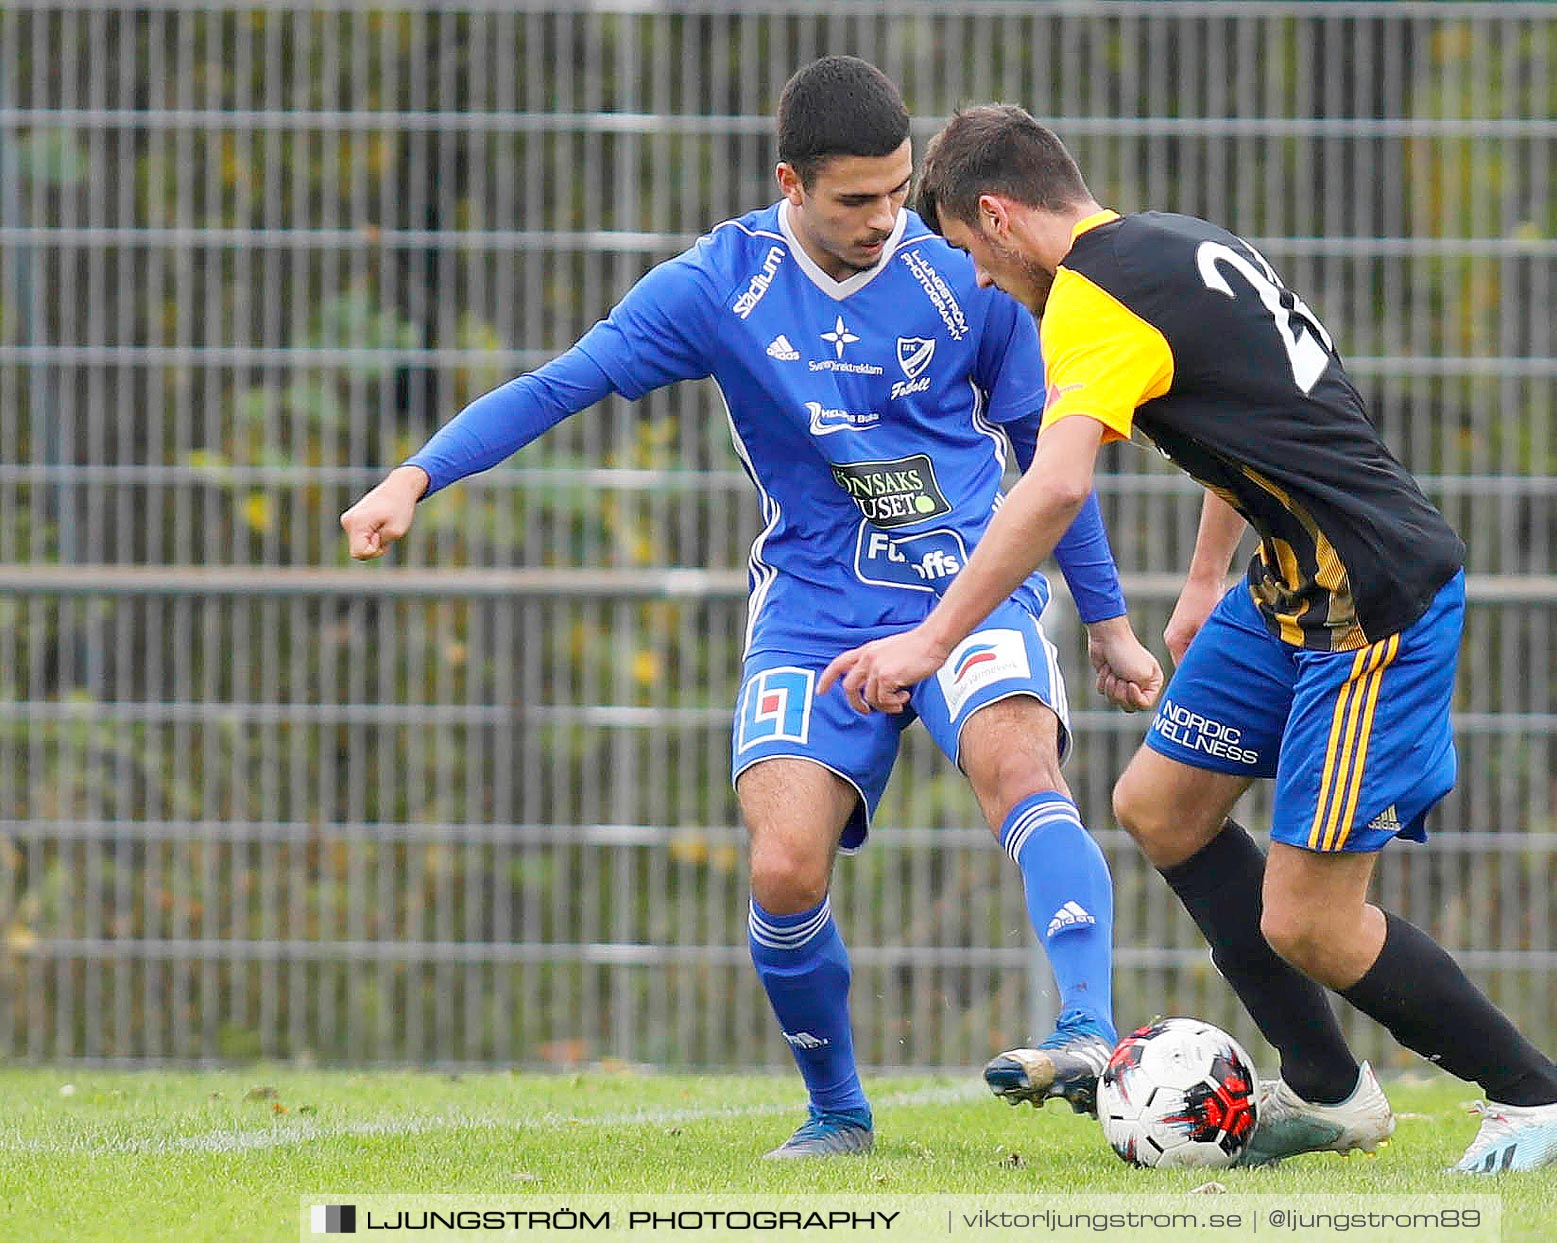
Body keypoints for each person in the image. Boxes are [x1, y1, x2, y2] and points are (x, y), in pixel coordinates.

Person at [339, 63, 1162, 1159]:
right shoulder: (716, 286)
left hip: (965, 588)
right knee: (783, 865)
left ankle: (1087, 1030)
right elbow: (560, 382)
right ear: (791, 182)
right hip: (814, 607)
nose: (885, 221)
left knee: (1021, 763)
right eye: (855, 200)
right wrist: (414, 477)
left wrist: (1105, 620)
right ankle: (837, 1113)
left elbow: (1047, 457)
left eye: (899, 192)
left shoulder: (966, 278)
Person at [823, 103, 1557, 1174]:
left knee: (1310, 924)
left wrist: (928, 642)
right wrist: (1199, 583)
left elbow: (1051, 488)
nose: (984, 282)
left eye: (970, 254)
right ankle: (1331, 1095)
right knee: (1161, 808)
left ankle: (1536, 1094)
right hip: (1285, 583)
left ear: (997, 216)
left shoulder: (1087, 305)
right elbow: (1253, 415)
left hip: (1368, 601)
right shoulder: (1180, 240)